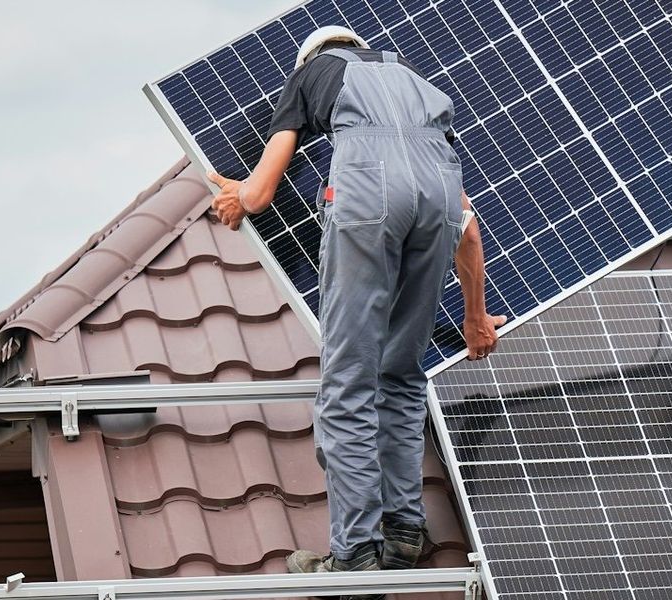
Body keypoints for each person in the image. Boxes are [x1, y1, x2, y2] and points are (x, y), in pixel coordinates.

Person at [207, 25, 506, 595]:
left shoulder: (310, 75)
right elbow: (467, 228)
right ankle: (404, 533)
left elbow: (262, 192)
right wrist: (475, 317)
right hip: (439, 202)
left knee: (348, 382)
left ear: (315, 57)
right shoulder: (418, 85)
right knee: (400, 373)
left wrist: (235, 197)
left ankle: (355, 555)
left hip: (369, 199)